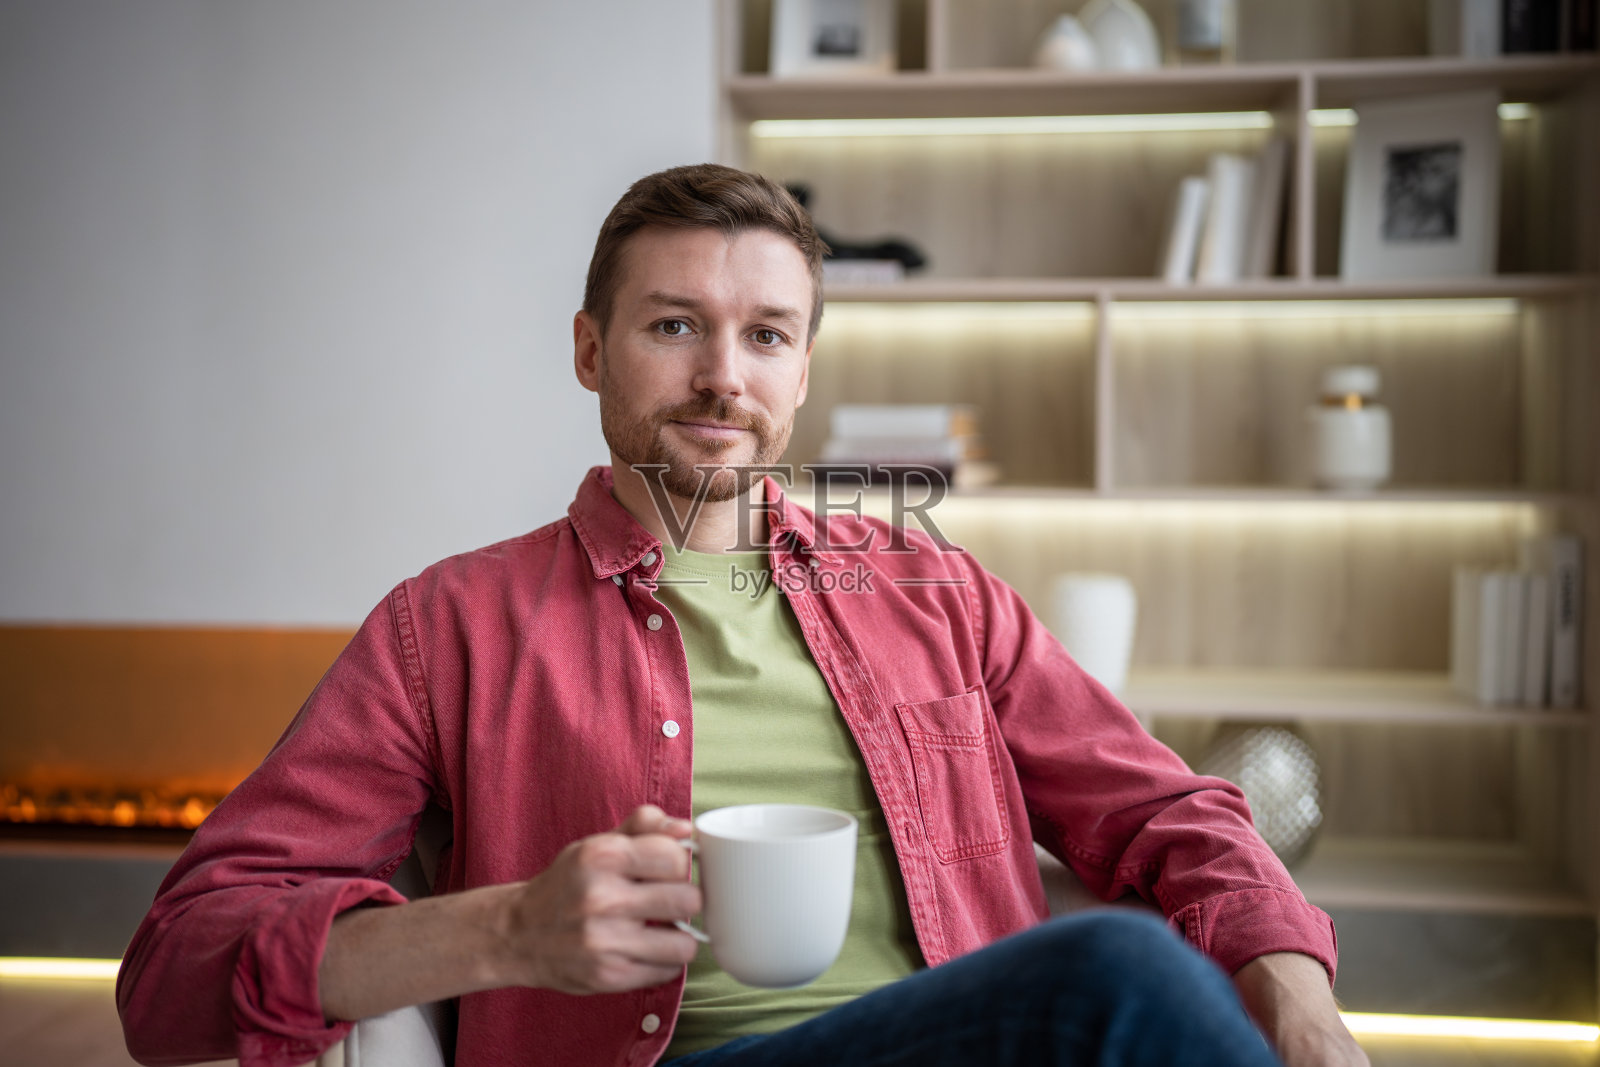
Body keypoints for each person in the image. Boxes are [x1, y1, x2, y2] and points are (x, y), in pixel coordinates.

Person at [118, 164, 1369, 1067]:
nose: (724, 373)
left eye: (765, 334)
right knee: (1119, 972)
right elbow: (174, 970)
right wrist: (504, 928)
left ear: (803, 373)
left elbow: (1168, 809)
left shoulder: (932, 591)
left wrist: (1300, 1003)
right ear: (589, 350)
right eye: (675, 326)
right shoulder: (447, 626)